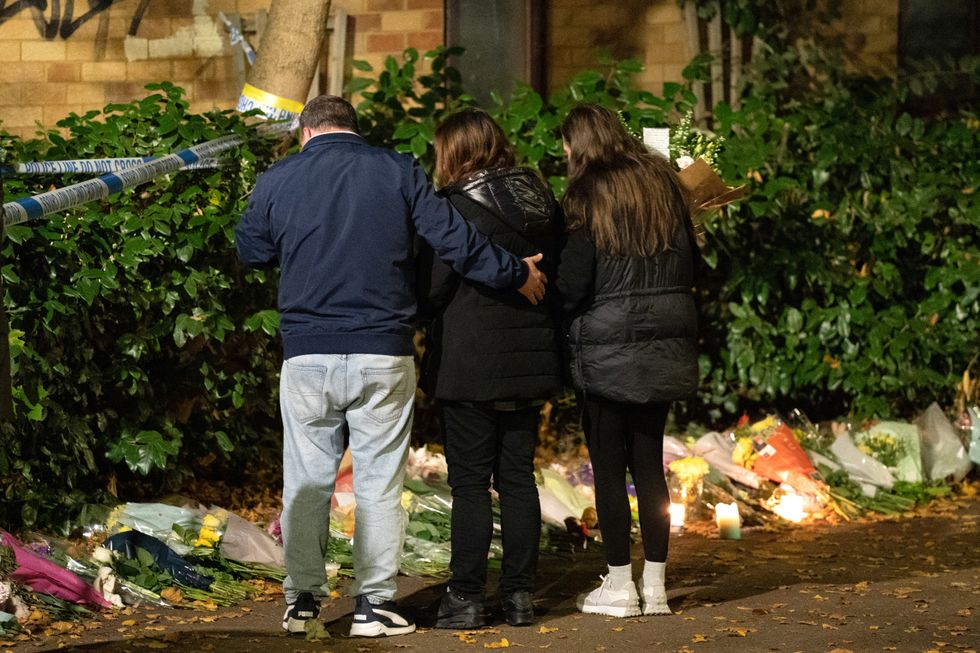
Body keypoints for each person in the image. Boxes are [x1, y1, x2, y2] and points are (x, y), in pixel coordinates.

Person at [235, 95, 548, 637]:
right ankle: (372, 606)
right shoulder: (398, 169)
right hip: (383, 348)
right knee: (378, 483)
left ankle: (303, 601)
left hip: (308, 351)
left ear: (307, 132)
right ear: (354, 129)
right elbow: (455, 240)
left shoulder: (279, 177)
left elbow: (251, 249)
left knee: (307, 480)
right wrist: (513, 272)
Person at [416, 109, 563, 629]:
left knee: (472, 485)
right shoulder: (540, 200)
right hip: (530, 361)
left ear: (454, 151)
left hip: (469, 363)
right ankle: (520, 595)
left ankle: (466, 597)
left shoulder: (454, 209)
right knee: (519, 478)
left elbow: (431, 289)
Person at [556, 104, 700, 618]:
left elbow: (574, 281)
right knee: (649, 462)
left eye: (567, 145)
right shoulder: (664, 183)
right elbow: (694, 264)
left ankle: (619, 586)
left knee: (610, 470)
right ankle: (656, 587)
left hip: (606, 349)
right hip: (663, 343)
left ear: (580, 144)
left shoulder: (586, 194)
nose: (565, 155)